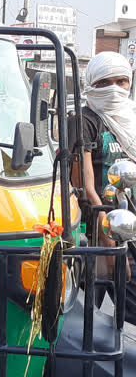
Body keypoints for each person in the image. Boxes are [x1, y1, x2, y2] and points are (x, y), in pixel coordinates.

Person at [72, 51, 136, 247]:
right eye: (104, 83)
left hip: (130, 220)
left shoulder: (131, 118)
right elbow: (86, 188)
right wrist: (111, 246)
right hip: (102, 229)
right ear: (91, 84)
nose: (114, 89)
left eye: (121, 81)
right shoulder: (84, 121)